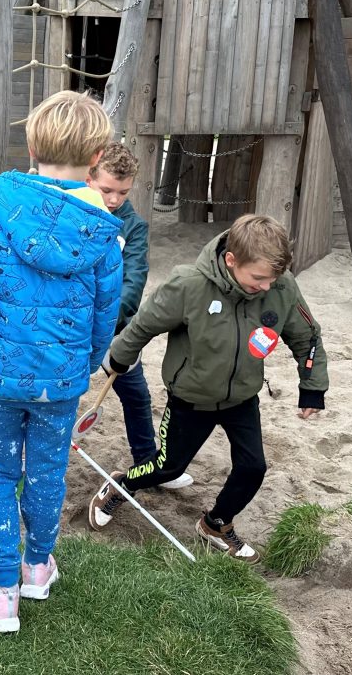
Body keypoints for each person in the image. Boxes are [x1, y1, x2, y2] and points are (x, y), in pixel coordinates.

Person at [0, 90, 123, 633]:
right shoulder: (104, 231)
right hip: (59, 382)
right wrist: (83, 365)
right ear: (96, 157)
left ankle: (5, 591)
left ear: (32, 144)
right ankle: (37, 567)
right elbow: (106, 312)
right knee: (46, 472)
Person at [87, 214, 329, 564]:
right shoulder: (188, 285)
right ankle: (122, 484)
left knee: (252, 468)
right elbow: (143, 326)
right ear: (232, 261)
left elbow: (307, 337)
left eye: (273, 278)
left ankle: (215, 523)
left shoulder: (281, 287)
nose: (267, 286)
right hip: (191, 398)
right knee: (167, 467)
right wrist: (118, 359)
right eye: (258, 277)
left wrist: (312, 389)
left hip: (242, 397)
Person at [86, 142, 191, 488]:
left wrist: (108, 323)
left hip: (114, 330)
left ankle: (147, 464)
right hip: (69, 326)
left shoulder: (133, 226)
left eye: (123, 192)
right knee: (61, 397)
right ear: (89, 176)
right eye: (106, 190)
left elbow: (133, 283)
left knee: (136, 394)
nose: (114, 199)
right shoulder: (74, 211)